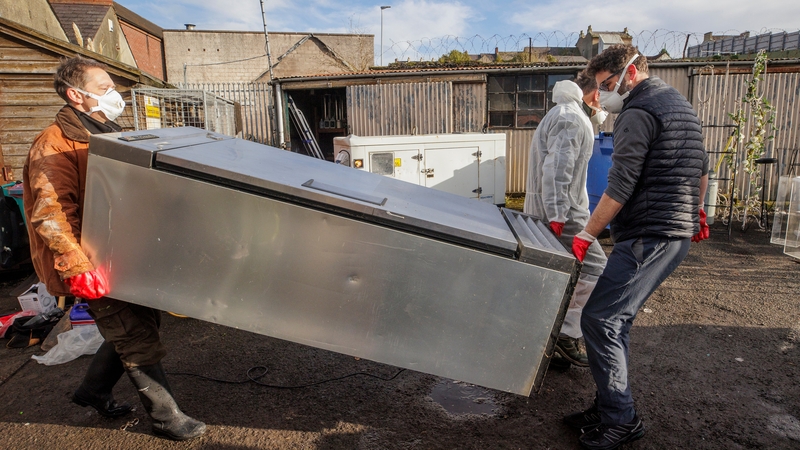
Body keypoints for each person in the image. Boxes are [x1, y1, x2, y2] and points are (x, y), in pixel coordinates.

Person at [23, 55, 206, 441]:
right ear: (77, 94)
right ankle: (165, 417)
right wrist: (77, 266)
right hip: (88, 259)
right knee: (134, 333)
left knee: (140, 322)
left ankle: (92, 390)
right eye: (105, 89)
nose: (115, 95)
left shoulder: (104, 130)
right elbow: (51, 213)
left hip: (121, 252)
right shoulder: (54, 145)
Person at [563, 44, 710, 450]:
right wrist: (697, 214)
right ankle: (609, 404)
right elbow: (702, 168)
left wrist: (585, 235)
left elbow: (620, 185)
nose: (604, 94)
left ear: (629, 73)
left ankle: (621, 419)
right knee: (616, 319)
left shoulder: (637, 111)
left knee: (599, 319)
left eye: (607, 85)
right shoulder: (676, 101)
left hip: (650, 234)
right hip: (669, 232)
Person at [524, 71, 609, 369]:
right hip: (564, 213)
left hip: (558, 210)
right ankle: (566, 332)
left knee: (560, 275)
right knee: (596, 266)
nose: (607, 99)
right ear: (595, 94)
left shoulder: (562, 114)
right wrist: (559, 215)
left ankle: (552, 344)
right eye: (607, 90)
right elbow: (557, 170)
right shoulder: (571, 118)